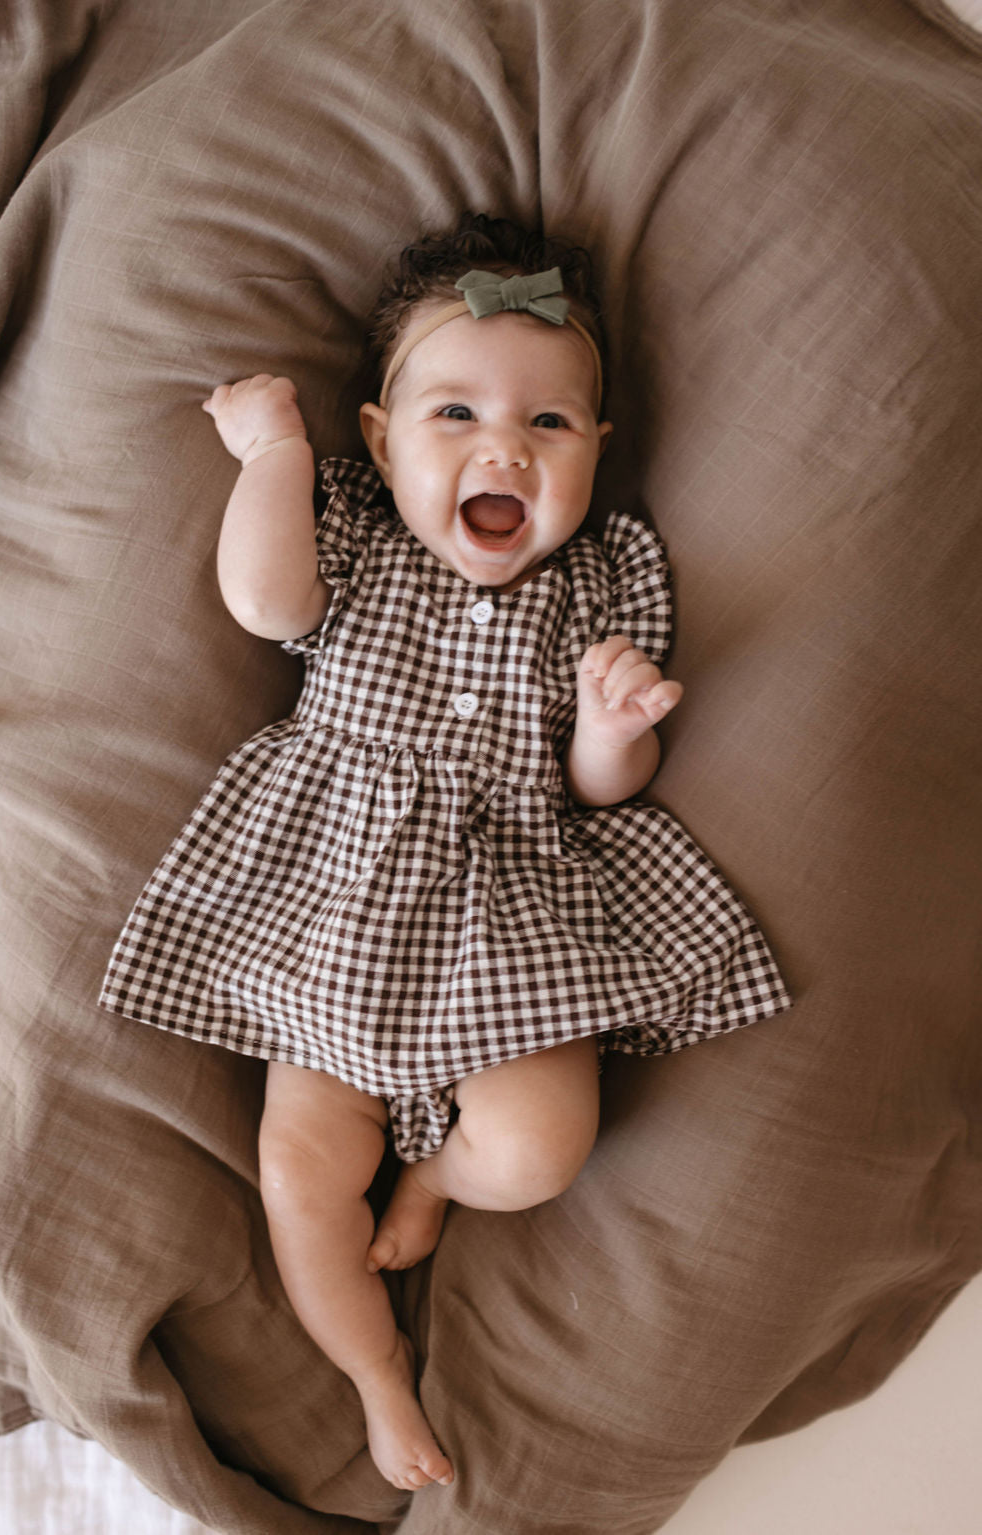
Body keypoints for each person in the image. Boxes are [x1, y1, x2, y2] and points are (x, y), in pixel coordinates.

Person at [100, 213, 790, 1493]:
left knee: (537, 1150)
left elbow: (599, 796)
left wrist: (611, 723)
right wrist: (272, 454)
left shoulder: (604, 576)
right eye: (455, 415)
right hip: (335, 909)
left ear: (596, 451)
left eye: (548, 426)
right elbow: (264, 601)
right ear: (379, 438)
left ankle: (433, 1179)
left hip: (508, 905)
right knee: (300, 1173)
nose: (503, 450)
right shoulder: (352, 530)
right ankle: (372, 1373)